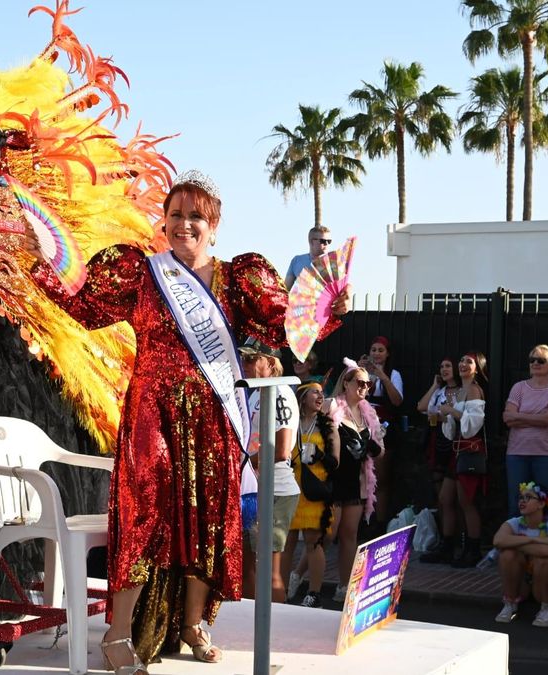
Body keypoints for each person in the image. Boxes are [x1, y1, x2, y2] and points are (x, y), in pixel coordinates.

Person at [27, 170, 348, 671]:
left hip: (213, 417)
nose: (184, 224)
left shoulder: (238, 278)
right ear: (164, 222)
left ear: (214, 226)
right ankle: (117, 633)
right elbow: (82, 303)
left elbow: (286, 323)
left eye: (196, 216)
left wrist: (327, 309)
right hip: (150, 413)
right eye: (175, 214)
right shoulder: (141, 272)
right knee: (143, 515)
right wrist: (39, 254)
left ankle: (195, 623)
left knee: (208, 519)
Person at [239, 340, 300, 605]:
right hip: (255, 487)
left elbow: (282, 449)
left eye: (253, 360)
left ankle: (276, 634)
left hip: (274, 490)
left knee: (268, 571)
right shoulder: (256, 391)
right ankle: (251, 627)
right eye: (245, 359)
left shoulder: (280, 392)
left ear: (271, 364)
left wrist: (242, 460)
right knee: (248, 567)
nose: (245, 364)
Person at [326, 365, 386, 603]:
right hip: (332, 479)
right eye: (359, 382)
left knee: (350, 534)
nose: (364, 387)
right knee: (327, 534)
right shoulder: (331, 405)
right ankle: (299, 575)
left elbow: (381, 449)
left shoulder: (369, 413)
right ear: (346, 383)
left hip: (356, 481)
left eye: (367, 384)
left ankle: (345, 587)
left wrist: (371, 448)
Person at [281, 382, 340, 608]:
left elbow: (335, 462)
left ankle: (314, 592)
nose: (320, 396)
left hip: (315, 491)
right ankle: (283, 589)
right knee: (287, 542)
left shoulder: (328, 426)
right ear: (303, 397)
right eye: (315, 392)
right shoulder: (291, 424)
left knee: (313, 542)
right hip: (290, 487)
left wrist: (319, 456)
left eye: (321, 393)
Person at [503, 345, 548, 517]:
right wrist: (539, 418)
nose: (535, 363)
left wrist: (520, 417)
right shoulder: (519, 388)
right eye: (532, 359)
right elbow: (508, 418)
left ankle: (542, 543)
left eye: (541, 360)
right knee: (516, 504)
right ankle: (516, 543)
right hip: (517, 453)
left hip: (546, 455)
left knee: (544, 503)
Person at [438, 352, 488, 568]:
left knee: (467, 502)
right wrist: (446, 416)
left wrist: (451, 411)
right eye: (461, 361)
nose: (463, 364)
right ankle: (447, 545)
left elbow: (472, 426)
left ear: (477, 368)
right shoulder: (460, 391)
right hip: (456, 451)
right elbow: (452, 430)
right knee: (445, 498)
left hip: (470, 451)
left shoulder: (475, 390)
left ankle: (472, 549)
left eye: (469, 362)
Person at [493, 481, 548, 627]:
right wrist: (532, 539)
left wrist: (515, 543)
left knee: (544, 560)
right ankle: (510, 604)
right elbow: (498, 540)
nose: (522, 500)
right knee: (507, 555)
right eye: (521, 497)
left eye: (528, 497)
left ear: (541, 504)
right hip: (522, 584)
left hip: (547, 582)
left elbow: (547, 551)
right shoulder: (513, 523)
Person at [417, 357, 462, 564]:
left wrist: (445, 415)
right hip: (438, 441)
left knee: (448, 497)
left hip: (454, 443)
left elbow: (459, 416)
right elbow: (422, 407)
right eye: (441, 366)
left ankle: (451, 542)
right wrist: (435, 384)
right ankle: (445, 540)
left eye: (448, 366)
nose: (444, 369)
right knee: (440, 497)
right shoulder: (440, 391)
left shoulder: (463, 391)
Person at [358, 336, 403, 523]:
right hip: (361, 425)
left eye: (380, 350)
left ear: (387, 354)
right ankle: (361, 521)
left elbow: (397, 401)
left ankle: (379, 522)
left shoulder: (393, 374)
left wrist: (382, 377)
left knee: (381, 479)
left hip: (383, 428)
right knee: (361, 477)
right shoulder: (361, 371)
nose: (376, 354)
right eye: (373, 350)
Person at [283, 225, 334, 289]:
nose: (326, 244)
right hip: (302, 298)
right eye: (323, 241)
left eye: (329, 241)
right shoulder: (297, 261)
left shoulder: (333, 263)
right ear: (312, 241)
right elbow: (286, 288)